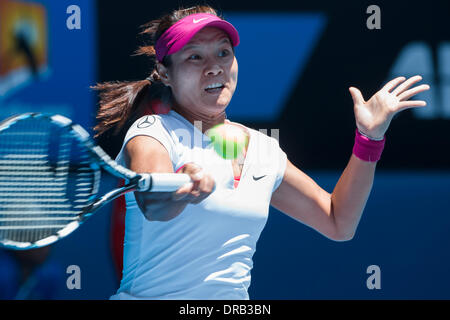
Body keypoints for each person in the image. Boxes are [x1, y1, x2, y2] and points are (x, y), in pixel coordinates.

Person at [93, 5, 429, 300]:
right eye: (195, 56)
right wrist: (182, 187)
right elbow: (154, 202)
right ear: (165, 72)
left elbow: (338, 222)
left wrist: (369, 138)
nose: (214, 67)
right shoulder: (152, 131)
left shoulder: (263, 150)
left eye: (223, 52)